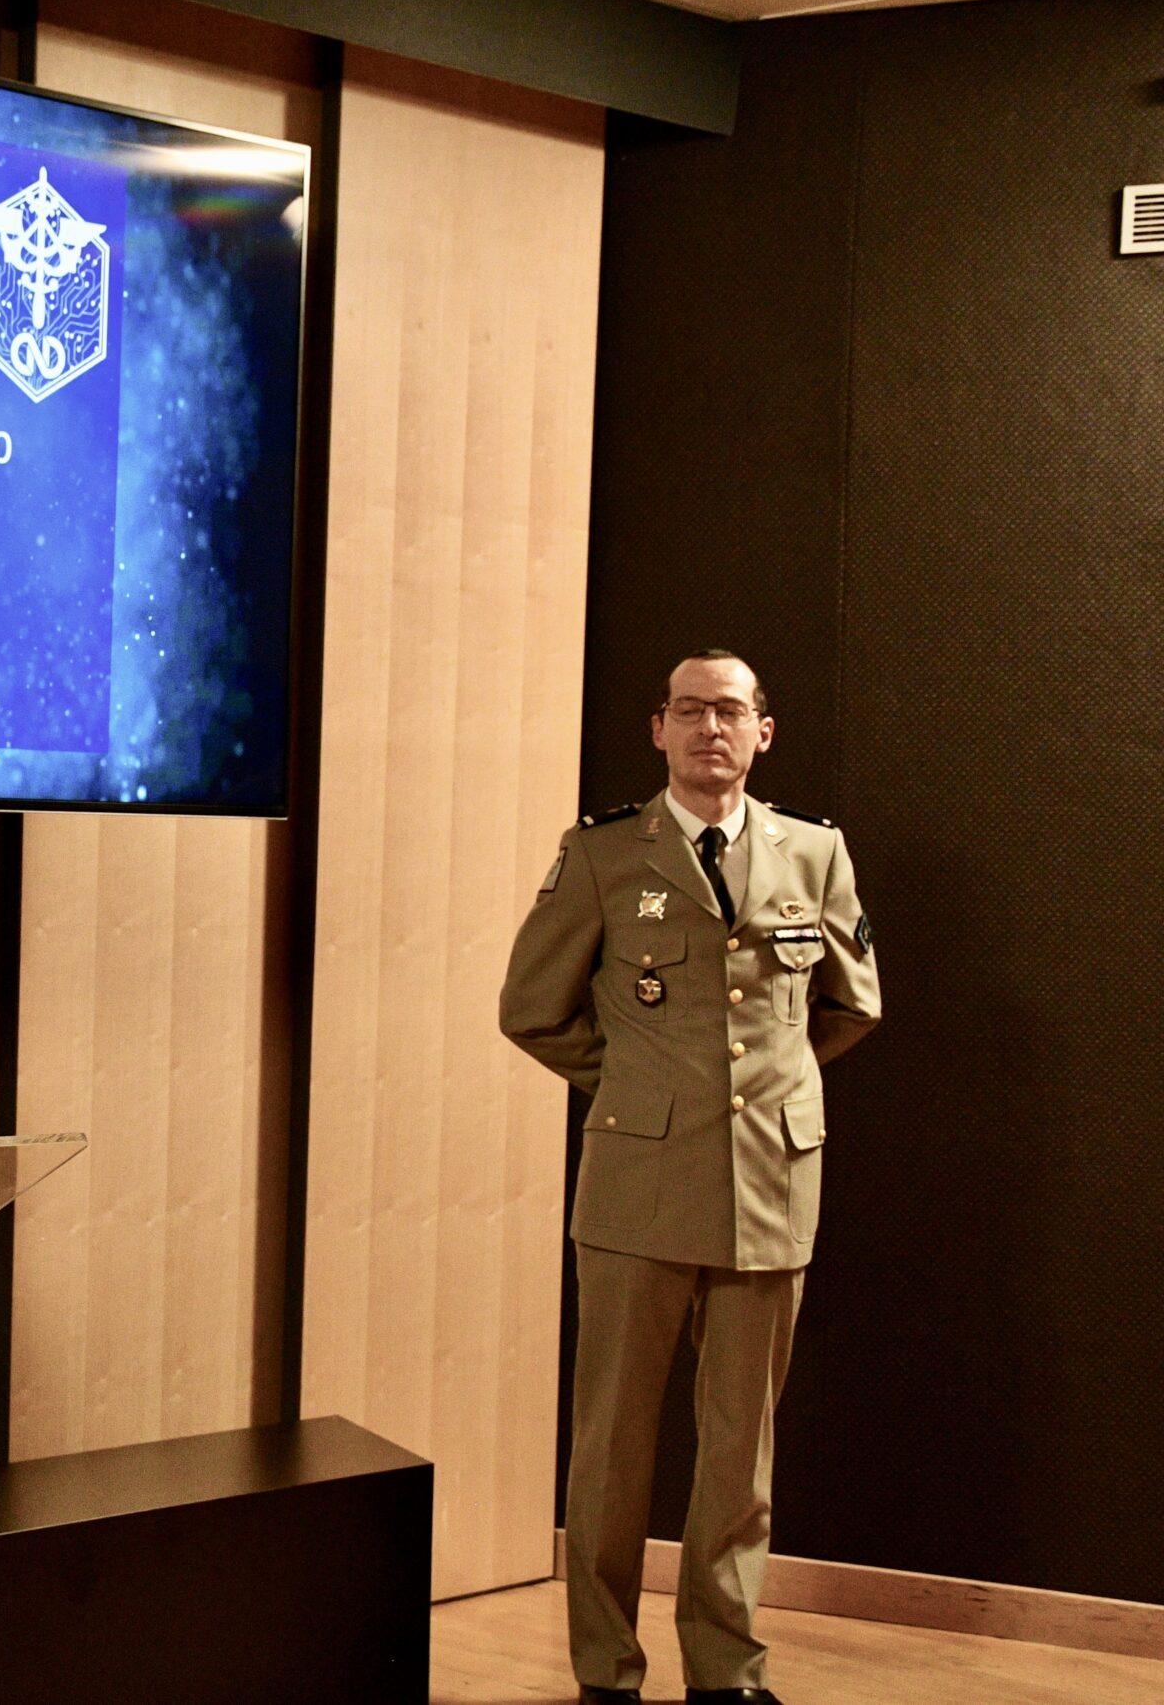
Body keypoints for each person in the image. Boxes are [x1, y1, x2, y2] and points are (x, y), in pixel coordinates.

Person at [500, 649, 880, 1705]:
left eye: (730, 711)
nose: (710, 728)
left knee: (738, 1457)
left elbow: (852, 1004)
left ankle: (726, 1671)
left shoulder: (814, 853)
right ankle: (606, 1671)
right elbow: (530, 1008)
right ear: (657, 729)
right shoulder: (601, 854)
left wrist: (760, 1093)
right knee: (612, 1451)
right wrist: (643, 1086)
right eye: (689, 710)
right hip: (639, 1187)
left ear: (763, 731)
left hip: (769, 1186)